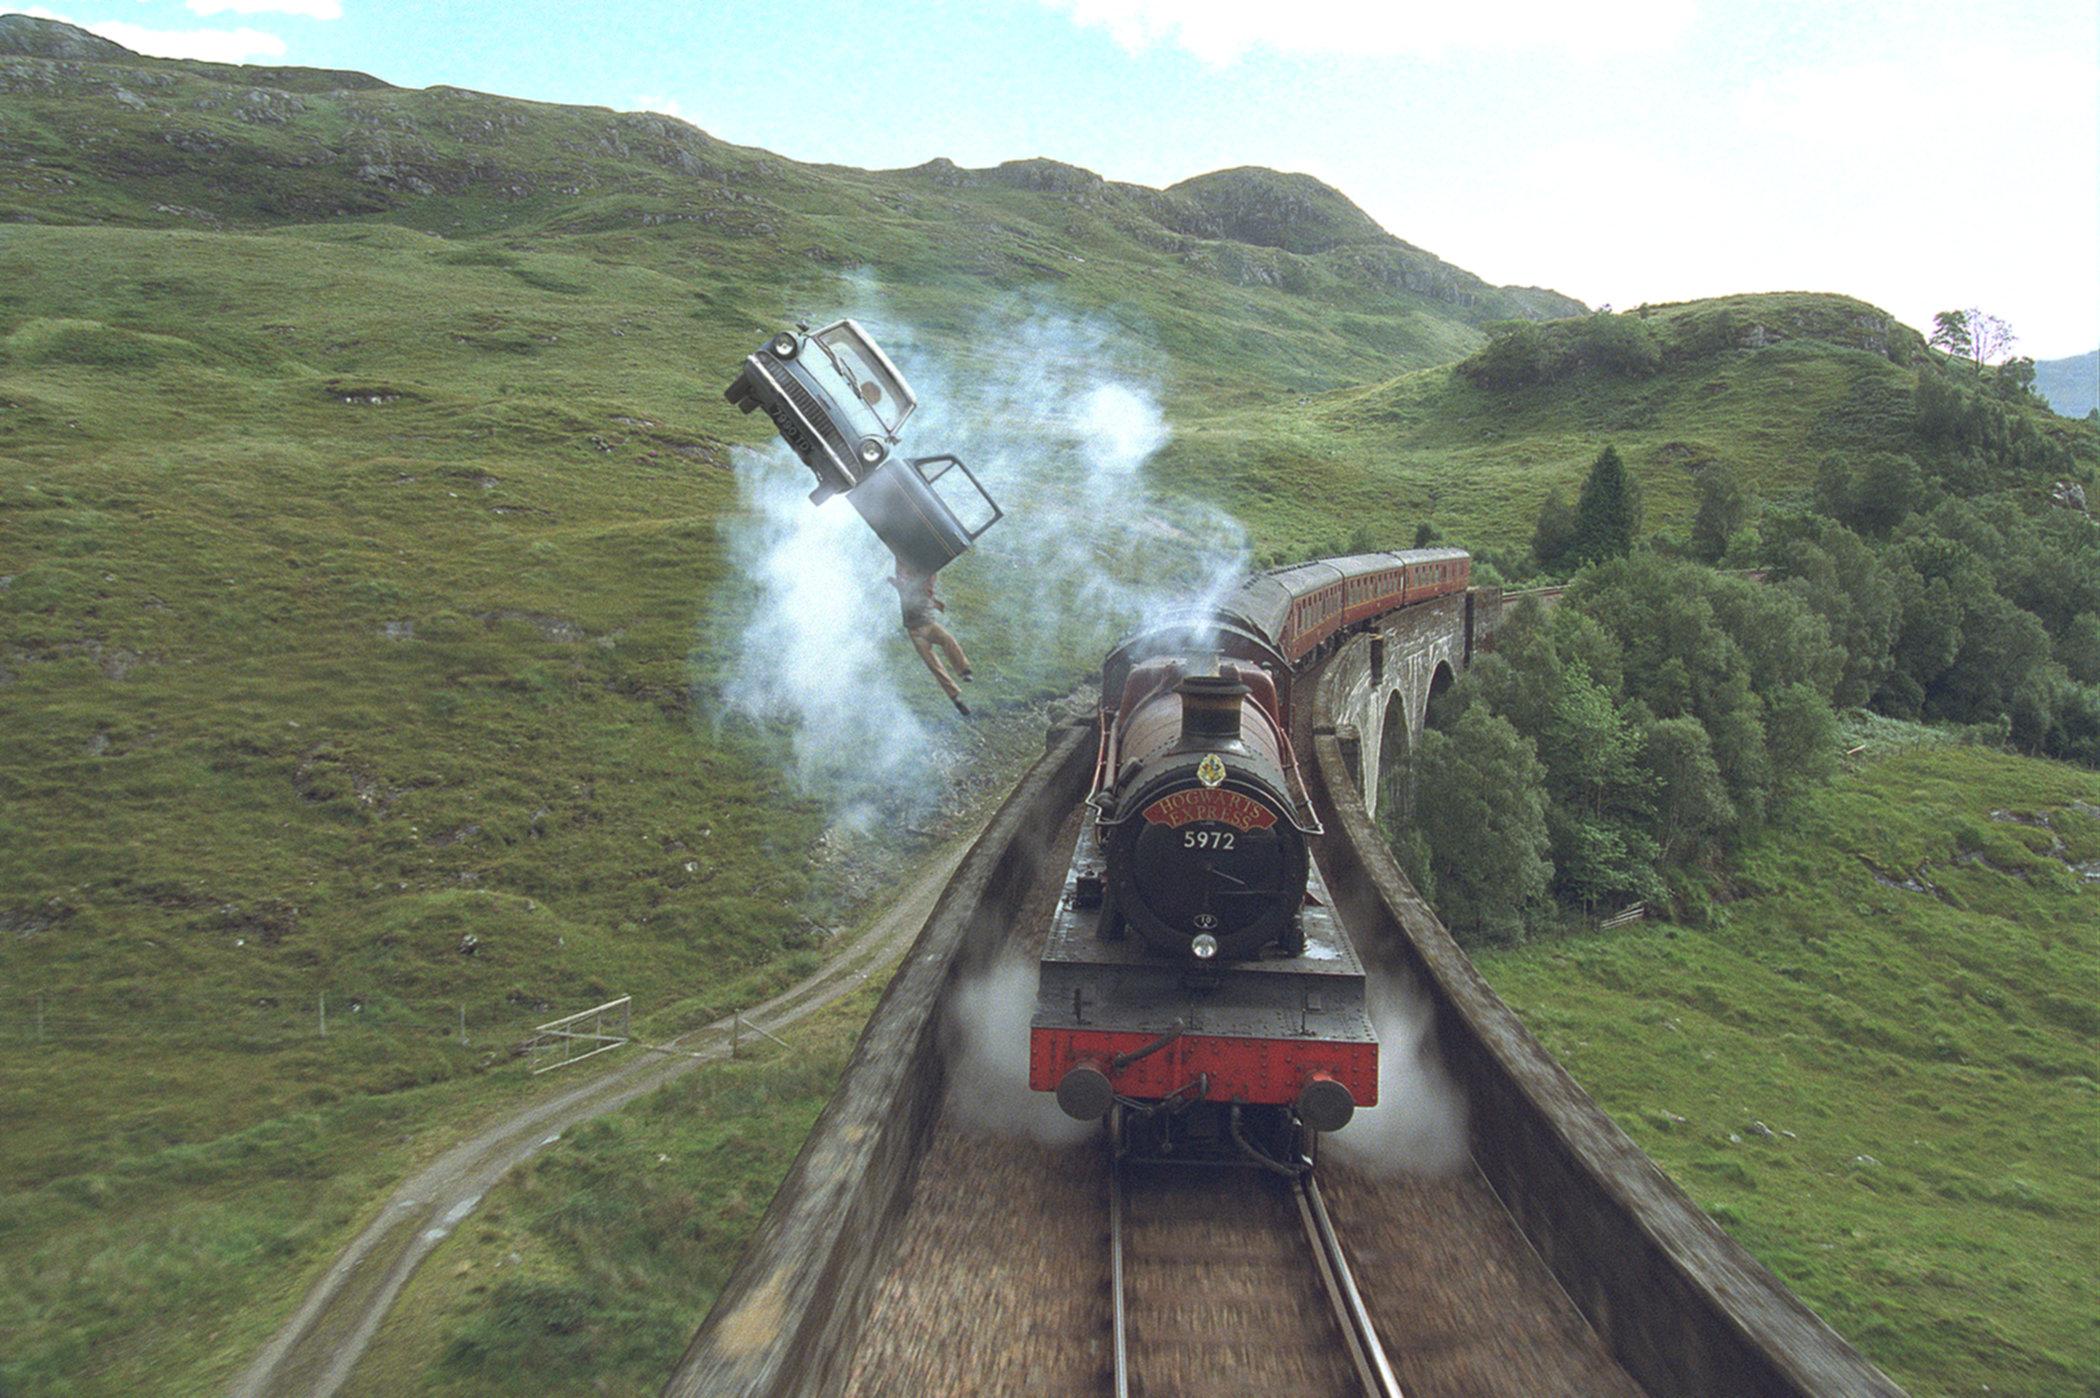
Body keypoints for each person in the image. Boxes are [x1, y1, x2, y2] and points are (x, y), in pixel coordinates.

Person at [888, 559, 973, 714]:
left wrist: (933, 599)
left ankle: (964, 670)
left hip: (929, 626)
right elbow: (901, 576)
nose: (931, 588)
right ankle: (955, 698)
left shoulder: (926, 588)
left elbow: (928, 586)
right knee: (934, 665)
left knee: (948, 640)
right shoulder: (906, 585)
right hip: (915, 632)